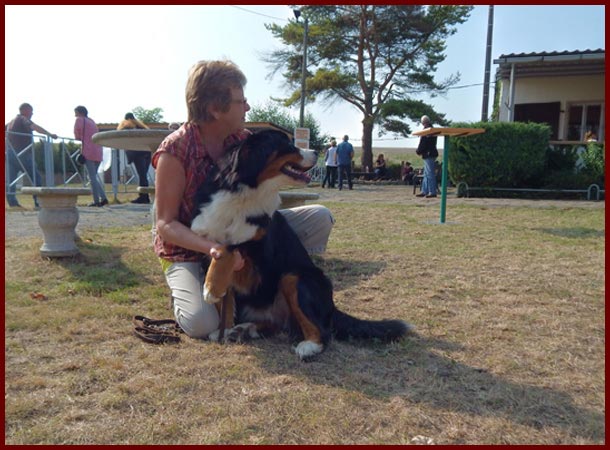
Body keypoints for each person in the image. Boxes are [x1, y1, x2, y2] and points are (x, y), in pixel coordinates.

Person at [152, 60, 335, 339]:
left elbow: (262, 190)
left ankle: (278, 286)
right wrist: (215, 250)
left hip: (238, 233)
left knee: (319, 217)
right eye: (241, 101)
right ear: (215, 109)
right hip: (188, 247)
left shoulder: (242, 139)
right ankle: (191, 289)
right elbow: (165, 225)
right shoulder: (174, 150)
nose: (247, 107)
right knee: (202, 324)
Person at [5, 103, 57, 208]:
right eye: (31, 111)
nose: (32, 113)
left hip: (11, 153)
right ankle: (38, 202)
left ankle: (12, 203)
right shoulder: (23, 119)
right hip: (22, 153)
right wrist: (49, 134)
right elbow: (34, 127)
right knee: (35, 177)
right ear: (25, 110)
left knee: (11, 180)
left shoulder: (11, 122)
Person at [74, 105, 108, 207]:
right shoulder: (92, 121)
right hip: (98, 151)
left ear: (79, 112)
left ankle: (97, 200)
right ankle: (103, 198)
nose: (75, 115)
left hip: (88, 152)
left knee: (92, 178)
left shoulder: (79, 120)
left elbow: (77, 135)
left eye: (76, 113)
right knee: (93, 177)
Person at [117, 112, 151, 204]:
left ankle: (143, 196)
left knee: (142, 176)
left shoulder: (126, 127)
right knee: (143, 176)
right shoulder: (142, 127)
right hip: (147, 152)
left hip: (138, 153)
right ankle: (145, 196)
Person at [415, 115, 439, 198]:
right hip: (430, 153)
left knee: (430, 173)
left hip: (429, 154)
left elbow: (423, 142)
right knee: (426, 173)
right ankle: (424, 191)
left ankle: (432, 192)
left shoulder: (427, 130)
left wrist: (418, 151)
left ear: (423, 123)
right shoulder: (432, 129)